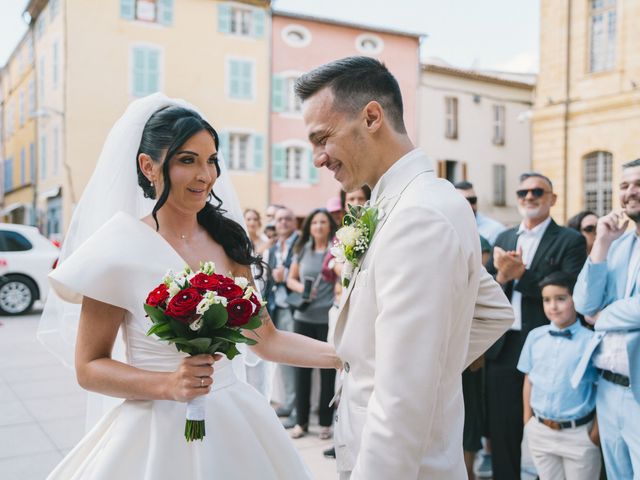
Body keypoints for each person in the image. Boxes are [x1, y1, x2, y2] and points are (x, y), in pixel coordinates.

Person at [39, 94, 341, 479]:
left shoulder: (229, 241)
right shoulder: (117, 248)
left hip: (234, 420)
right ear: (148, 166)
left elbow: (267, 340)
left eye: (211, 160)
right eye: (188, 160)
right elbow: (89, 367)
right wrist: (169, 385)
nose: (205, 175)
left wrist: (344, 355)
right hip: (155, 431)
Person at [297, 56, 515, 479]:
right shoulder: (408, 200)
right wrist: (433, 367)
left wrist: (422, 378)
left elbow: (400, 403)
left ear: (372, 117)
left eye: (322, 138)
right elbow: (492, 310)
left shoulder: (419, 216)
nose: (318, 159)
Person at [485, 172, 587, 480]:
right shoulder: (503, 238)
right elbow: (489, 290)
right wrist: (502, 278)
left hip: (547, 344)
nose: (529, 197)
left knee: (546, 437)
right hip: (505, 346)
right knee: (502, 432)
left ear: (552, 199)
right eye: (522, 192)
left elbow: (567, 289)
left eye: (537, 192)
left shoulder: (570, 240)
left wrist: (520, 275)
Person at [571, 159, 640, 479]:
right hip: (608, 388)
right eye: (625, 186)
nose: (630, 192)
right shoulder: (617, 244)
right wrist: (601, 242)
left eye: (638, 184)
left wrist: (605, 316)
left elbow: (598, 314)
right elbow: (584, 303)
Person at [518, 271, 601, 480]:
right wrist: (528, 420)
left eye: (561, 299)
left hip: (579, 435)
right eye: (547, 300)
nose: (553, 306)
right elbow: (529, 379)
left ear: (576, 300)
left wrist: (595, 434)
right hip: (541, 432)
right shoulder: (535, 337)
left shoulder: (591, 341)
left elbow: (601, 388)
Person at [287, 208, 338, 440]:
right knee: (301, 372)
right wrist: (302, 289)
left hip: (326, 318)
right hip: (303, 318)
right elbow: (290, 278)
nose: (318, 226)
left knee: (327, 371)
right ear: (310, 226)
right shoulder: (302, 249)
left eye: (323, 222)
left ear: (329, 226)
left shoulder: (336, 251)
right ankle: (301, 422)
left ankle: (326, 423)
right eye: (315, 222)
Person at [262, 206, 299, 425]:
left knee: (293, 358)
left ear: (294, 222)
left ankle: (296, 409)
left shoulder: (300, 244)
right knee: (283, 359)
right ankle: (289, 402)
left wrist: (285, 277)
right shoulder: (274, 247)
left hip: (294, 307)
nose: (283, 223)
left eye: (287, 219)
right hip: (276, 305)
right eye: (279, 220)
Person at [455, 180, 506, 246]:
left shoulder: (496, 230)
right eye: (464, 201)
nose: (469, 205)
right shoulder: (449, 228)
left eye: (472, 200)